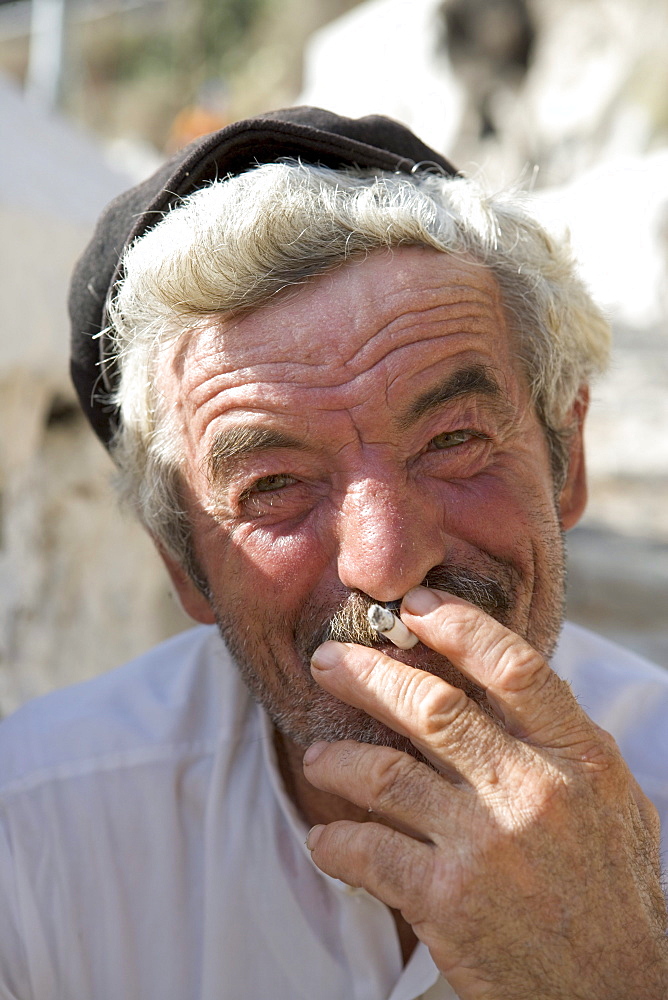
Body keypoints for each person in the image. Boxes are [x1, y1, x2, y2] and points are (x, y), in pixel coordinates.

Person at [1, 106, 667, 999]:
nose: (386, 562)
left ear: (567, 464)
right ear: (182, 564)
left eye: (453, 439)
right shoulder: (37, 830)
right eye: (273, 487)